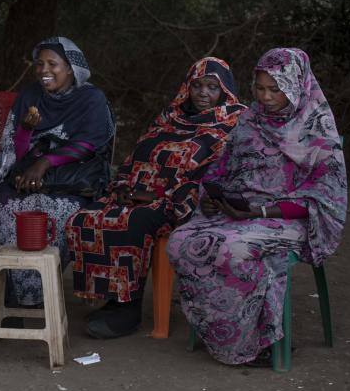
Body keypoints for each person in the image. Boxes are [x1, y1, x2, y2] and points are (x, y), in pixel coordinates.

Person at [167, 47, 347, 367]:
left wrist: (260, 213)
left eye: (275, 89)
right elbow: (223, 169)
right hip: (240, 210)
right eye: (260, 88)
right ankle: (221, 330)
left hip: (287, 216)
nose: (265, 97)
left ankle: (253, 342)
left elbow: (325, 197)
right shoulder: (250, 119)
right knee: (180, 242)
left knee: (233, 249)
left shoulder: (316, 128)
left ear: (296, 85)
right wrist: (213, 196)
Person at [66, 57, 246, 338]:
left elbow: (216, 175)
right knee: (87, 216)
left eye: (212, 87)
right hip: (140, 193)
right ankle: (111, 297)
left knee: (133, 222)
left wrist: (161, 196)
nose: (203, 93)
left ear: (225, 91)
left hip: (185, 202)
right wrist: (125, 185)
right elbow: (138, 154)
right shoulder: (170, 117)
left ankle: (129, 309)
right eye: (197, 85)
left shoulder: (234, 123)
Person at [0, 37, 115, 307]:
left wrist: (45, 162)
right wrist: (25, 128)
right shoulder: (30, 95)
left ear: (71, 68)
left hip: (73, 181)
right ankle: (19, 290)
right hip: (30, 175)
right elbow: (18, 151)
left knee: (64, 212)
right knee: (6, 203)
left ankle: (42, 289)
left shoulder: (91, 98)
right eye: (39, 64)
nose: (43, 70)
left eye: (52, 64)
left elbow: (89, 144)